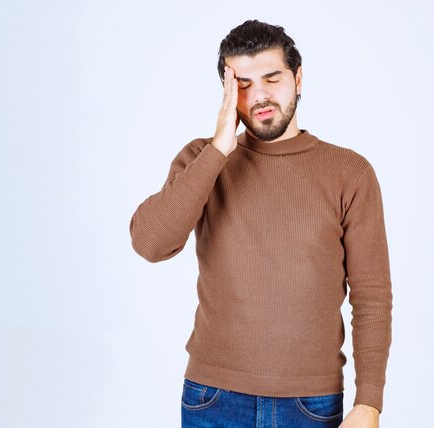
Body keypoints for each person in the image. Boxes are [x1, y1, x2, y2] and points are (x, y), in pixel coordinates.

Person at [129, 19, 393, 428]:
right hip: (212, 397)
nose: (261, 96)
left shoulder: (349, 172)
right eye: (244, 85)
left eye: (272, 78)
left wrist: (369, 402)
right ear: (226, 93)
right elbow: (150, 243)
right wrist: (219, 148)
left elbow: (371, 294)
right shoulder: (203, 160)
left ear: (298, 78)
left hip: (312, 403)